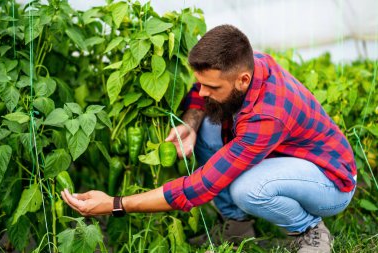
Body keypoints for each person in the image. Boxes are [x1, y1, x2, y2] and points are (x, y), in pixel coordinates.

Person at [61, 25, 357, 253]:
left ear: (242, 80)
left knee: (248, 188)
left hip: (330, 182)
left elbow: (199, 188)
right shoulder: (250, 65)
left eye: (210, 86)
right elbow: (199, 92)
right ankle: (238, 226)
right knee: (205, 124)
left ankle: (310, 229)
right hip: (289, 160)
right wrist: (189, 123)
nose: (201, 92)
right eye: (201, 82)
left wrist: (115, 203)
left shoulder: (268, 116)